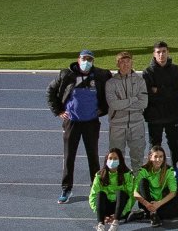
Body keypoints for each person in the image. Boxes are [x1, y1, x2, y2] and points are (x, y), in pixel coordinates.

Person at [49, 48, 111, 204]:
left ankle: (95, 187)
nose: (86, 62)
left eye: (90, 59)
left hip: (91, 122)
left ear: (93, 62)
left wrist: (103, 109)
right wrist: (58, 110)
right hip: (72, 123)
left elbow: (110, 91)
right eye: (84, 59)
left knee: (93, 156)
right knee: (69, 156)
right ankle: (66, 188)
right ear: (78, 59)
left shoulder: (100, 75)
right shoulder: (66, 75)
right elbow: (51, 90)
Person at [139, 41, 178, 166]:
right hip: (154, 116)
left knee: (174, 144)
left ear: (168, 52)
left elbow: (177, 92)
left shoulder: (176, 69)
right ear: (154, 54)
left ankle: (176, 171)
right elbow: (148, 95)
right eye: (158, 52)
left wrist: (158, 90)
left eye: (164, 51)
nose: (161, 55)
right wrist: (166, 91)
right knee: (154, 146)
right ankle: (154, 172)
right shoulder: (147, 72)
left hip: (172, 115)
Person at [106, 51, 149, 170]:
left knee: (138, 158)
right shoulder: (111, 83)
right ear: (117, 64)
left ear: (132, 62)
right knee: (115, 159)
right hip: (117, 126)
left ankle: (136, 186)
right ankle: (119, 185)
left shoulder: (140, 81)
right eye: (122, 62)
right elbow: (114, 104)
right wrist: (132, 100)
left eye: (128, 61)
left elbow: (143, 103)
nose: (125, 64)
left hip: (137, 125)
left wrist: (123, 104)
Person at [132, 146, 178, 227]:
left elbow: (173, 192)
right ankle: (152, 213)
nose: (158, 159)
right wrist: (147, 204)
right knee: (143, 182)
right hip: (147, 202)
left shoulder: (169, 170)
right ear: (150, 157)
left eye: (160, 157)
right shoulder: (143, 170)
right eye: (155, 156)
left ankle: (144, 213)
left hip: (161, 202)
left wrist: (158, 204)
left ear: (164, 158)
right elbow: (135, 192)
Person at [90, 147, 134, 231]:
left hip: (121, 208)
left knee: (121, 193)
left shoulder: (127, 174)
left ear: (120, 160)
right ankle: (101, 224)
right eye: (110, 158)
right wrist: (100, 213)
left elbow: (131, 195)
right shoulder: (99, 175)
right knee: (100, 194)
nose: (112, 161)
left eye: (115, 158)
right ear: (106, 160)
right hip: (105, 208)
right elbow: (93, 195)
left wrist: (123, 213)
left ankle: (115, 223)